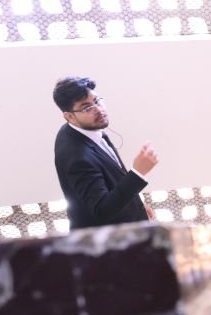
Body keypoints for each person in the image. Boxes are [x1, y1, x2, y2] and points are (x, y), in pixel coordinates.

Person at [52, 76, 158, 229]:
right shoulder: (77, 158)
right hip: (107, 238)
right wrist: (138, 173)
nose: (98, 109)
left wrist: (136, 206)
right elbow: (102, 210)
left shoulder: (87, 128)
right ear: (69, 116)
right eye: (87, 108)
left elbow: (112, 179)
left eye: (97, 101)